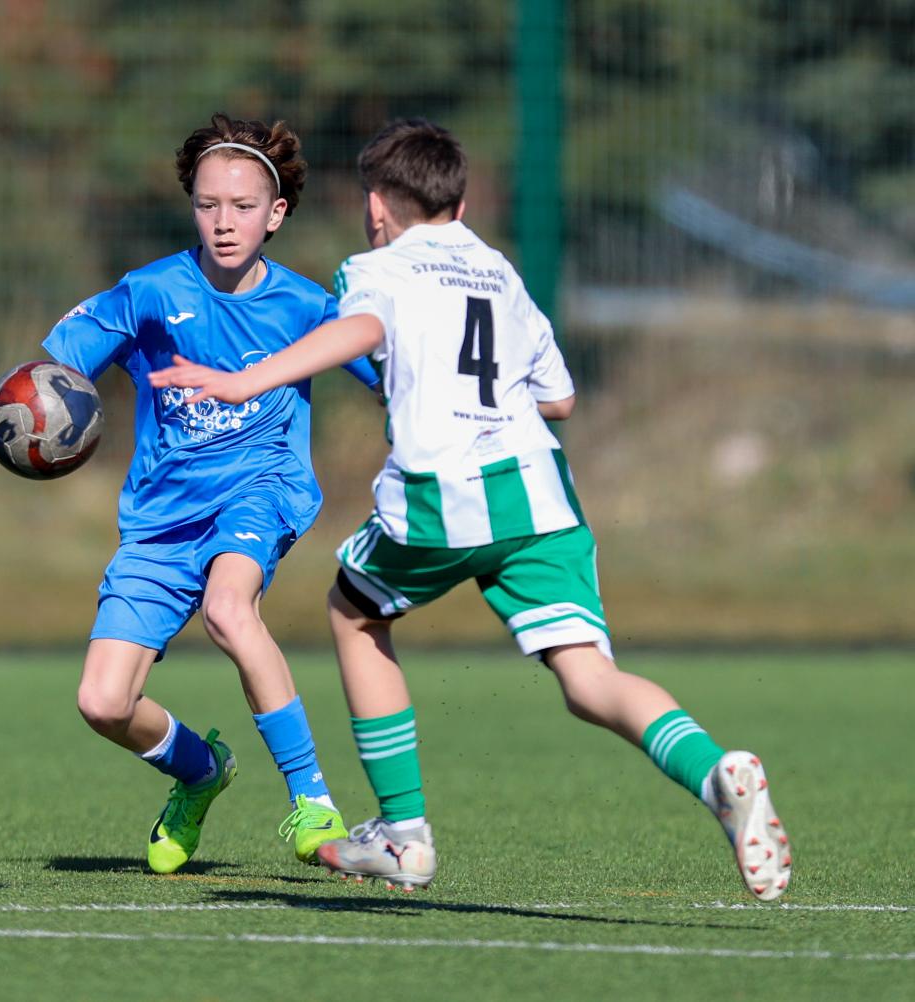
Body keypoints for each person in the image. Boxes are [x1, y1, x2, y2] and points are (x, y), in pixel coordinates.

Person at [148, 118, 792, 900]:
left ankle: (405, 835)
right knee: (590, 679)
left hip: (445, 492)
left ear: (377, 206)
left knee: (354, 614)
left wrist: (246, 380)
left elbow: (361, 327)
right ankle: (714, 772)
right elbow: (559, 398)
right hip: (542, 499)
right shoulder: (498, 271)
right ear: (458, 205)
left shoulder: (375, 267)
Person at [42, 113, 380, 875]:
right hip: (161, 519)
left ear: (276, 213)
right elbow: (53, 375)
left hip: (261, 488)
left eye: (243, 206)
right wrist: (29, 412)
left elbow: (388, 377)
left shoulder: (305, 308)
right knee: (103, 703)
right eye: (208, 204)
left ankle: (313, 800)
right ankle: (200, 771)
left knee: (230, 609)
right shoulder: (150, 291)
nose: (224, 222)